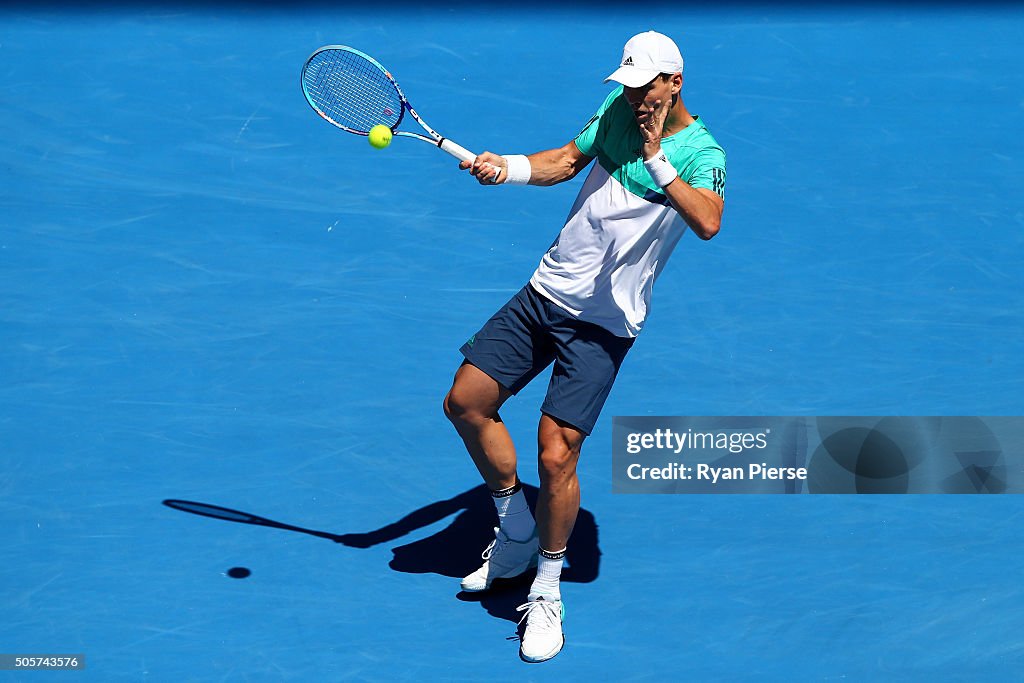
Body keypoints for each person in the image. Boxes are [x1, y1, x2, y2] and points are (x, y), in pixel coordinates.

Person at [442, 30, 726, 663]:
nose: (631, 97)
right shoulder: (615, 112)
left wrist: (657, 158)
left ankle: (546, 587)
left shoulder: (703, 152)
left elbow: (707, 221)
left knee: (555, 454)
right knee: (466, 401)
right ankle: (516, 528)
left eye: (642, 85)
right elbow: (567, 161)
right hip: (547, 291)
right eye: (624, 85)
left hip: (604, 323)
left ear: (673, 83)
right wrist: (508, 168)